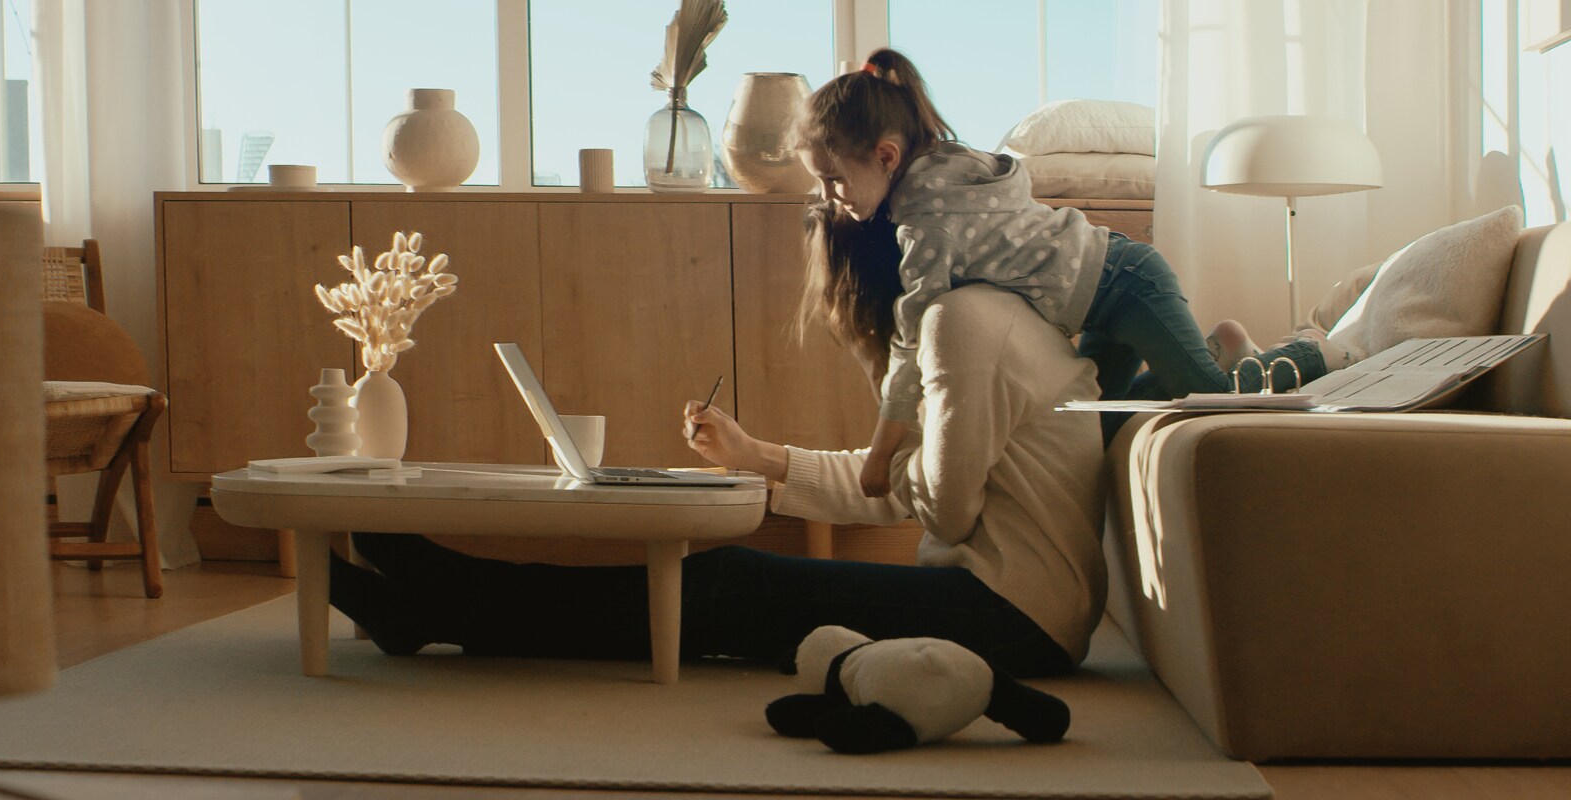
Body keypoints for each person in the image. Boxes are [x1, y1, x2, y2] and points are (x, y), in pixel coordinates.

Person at [327, 212, 1114, 681]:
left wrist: (877, 450)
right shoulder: (985, 318)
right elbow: (914, 486)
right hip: (1009, 603)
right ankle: (444, 594)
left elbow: (942, 506)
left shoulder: (962, 327)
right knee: (730, 585)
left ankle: (439, 606)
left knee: (730, 587)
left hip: (1017, 620)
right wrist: (757, 455)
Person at [798, 50, 1335, 487]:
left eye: (833, 179)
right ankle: (1219, 346)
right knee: (1097, 427)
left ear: (886, 157)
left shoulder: (927, 220)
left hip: (1126, 283)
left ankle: (1314, 351)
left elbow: (911, 340)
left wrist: (879, 456)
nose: (827, 196)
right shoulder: (947, 170)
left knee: (1212, 394)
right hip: (1098, 300)